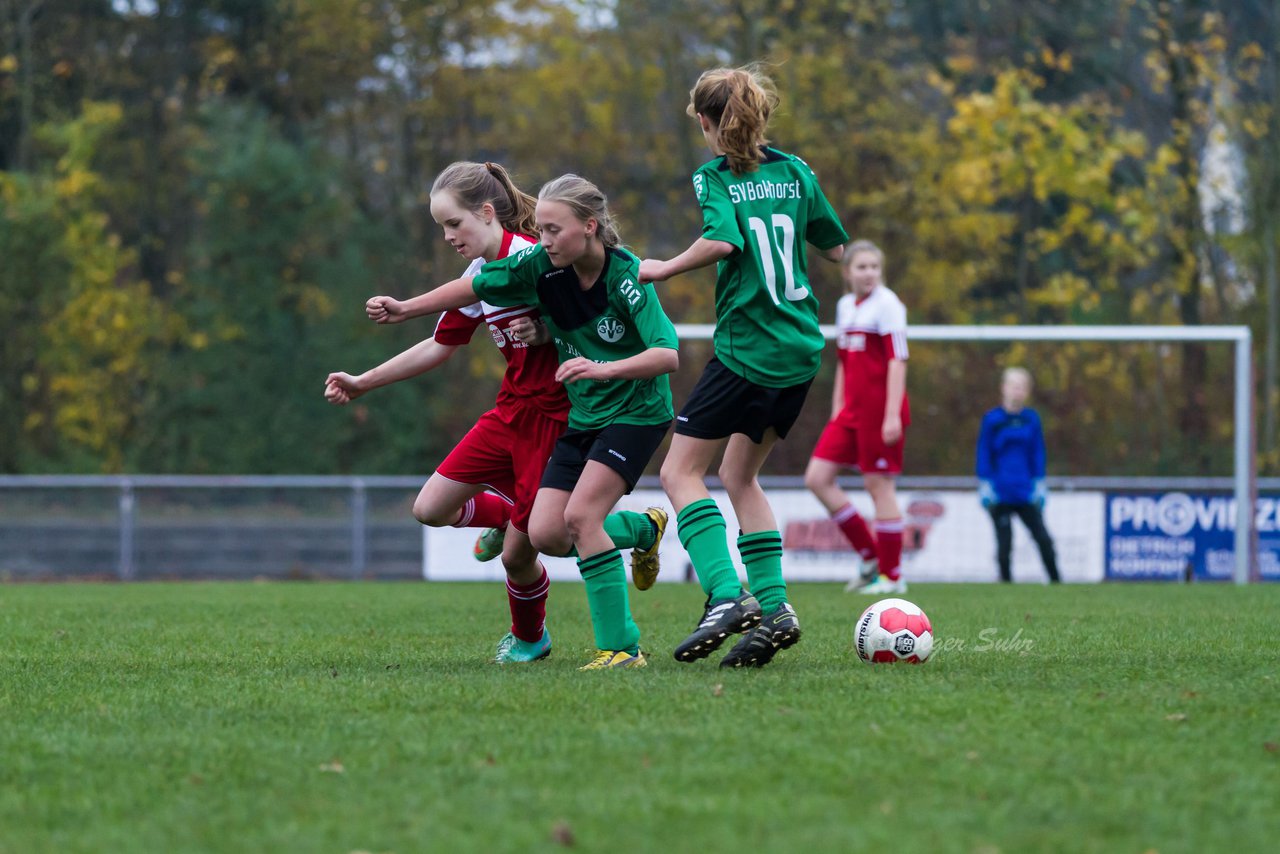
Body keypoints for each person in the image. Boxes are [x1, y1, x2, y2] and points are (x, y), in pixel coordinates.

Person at [367, 174, 676, 670]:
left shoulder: (617, 274)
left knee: (553, 535)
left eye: (453, 222)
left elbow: (666, 353)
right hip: (542, 411)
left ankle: (617, 647)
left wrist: (587, 357)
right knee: (542, 533)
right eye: (544, 230)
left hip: (610, 412)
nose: (545, 239)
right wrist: (404, 312)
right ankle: (632, 529)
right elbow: (469, 291)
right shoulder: (536, 265)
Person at [638, 65, 848, 668]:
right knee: (740, 476)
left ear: (707, 122)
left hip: (747, 349)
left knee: (679, 473)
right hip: (800, 350)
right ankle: (777, 608)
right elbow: (837, 247)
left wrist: (663, 267)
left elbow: (723, 242)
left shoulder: (714, 177)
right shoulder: (796, 169)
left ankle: (727, 595)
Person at [325, 161, 570, 664]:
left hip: (555, 420)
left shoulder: (532, 260)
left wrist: (547, 332)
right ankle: (507, 517)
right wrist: (363, 382)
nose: (447, 236)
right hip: (510, 414)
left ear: (485, 213)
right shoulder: (477, 272)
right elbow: (439, 346)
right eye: (441, 227)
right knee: (429, 508)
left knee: (519, 556)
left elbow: (586, 322)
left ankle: (531, 638)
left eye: (453, 223)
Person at [803, 239, 911, 596]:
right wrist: (838, 405)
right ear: (847, 272)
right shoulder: (846, 305)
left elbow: (897, 360)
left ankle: (892, 576)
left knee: (878, 486)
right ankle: (870, 557)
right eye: (862, 267)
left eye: (874, 267)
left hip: (880, 412)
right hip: (850, 411)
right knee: (818, 478)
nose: (869, 274)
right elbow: (845, 364)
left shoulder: (889, 305)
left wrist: (892, 414)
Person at [976, 367, 1060, 583]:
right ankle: (1006, 584)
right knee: (1005, 544)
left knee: (1043, 539)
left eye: (1022, 388)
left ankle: (1057, 582)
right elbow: (984, 451)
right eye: (1014, 386)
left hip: (1026, 492)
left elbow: (1037, 451)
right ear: (1004, 388)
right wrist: (985, 483)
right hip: (1000, 492)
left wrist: (1039, 482)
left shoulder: (1031, 419)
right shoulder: (992, 419)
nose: (1018, 391)